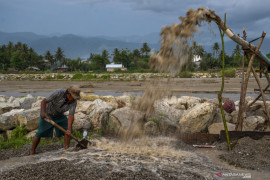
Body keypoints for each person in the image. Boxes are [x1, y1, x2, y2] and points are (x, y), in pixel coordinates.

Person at [30, 85, 80, 155]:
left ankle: (66, 149)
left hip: (59, 115)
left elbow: (71, 116)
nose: (74, 99)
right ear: (68, 94)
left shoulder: (73, 102)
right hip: (47, 114)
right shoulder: (58, 93)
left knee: (67, 131)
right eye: (74, 97)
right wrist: (43, 113)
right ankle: (32, 151)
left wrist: (69, 129)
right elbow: (43, 101)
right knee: (40, 133)